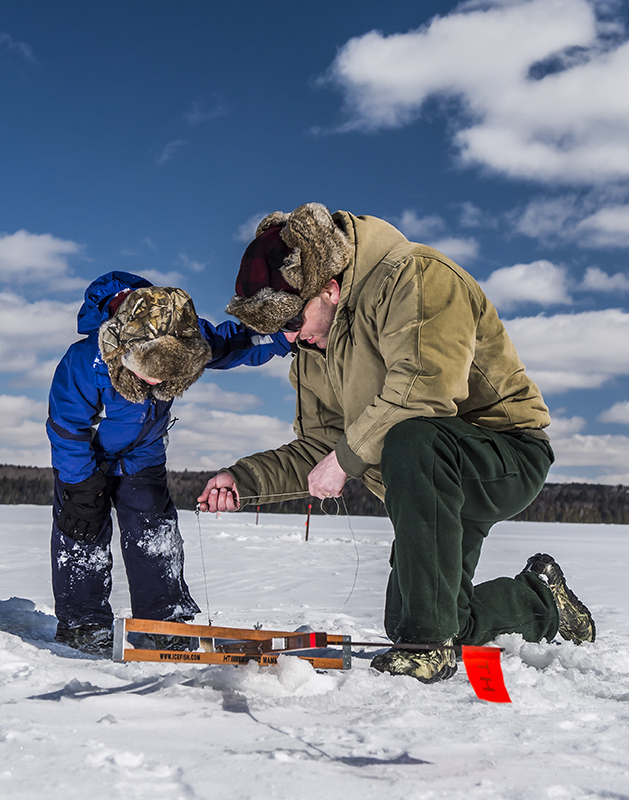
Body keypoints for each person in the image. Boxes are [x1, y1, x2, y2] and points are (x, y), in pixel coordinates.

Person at [197, 202, 596, 684]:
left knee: (413, 440)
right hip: (427, 482)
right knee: (418, 616)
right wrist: (243, 479)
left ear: (329, 289)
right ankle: (542, 602)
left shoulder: (420, 277)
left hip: (502, 453)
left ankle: (429, 649)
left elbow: (424, 390)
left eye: (292, 321)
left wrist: (345, 460)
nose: (290, 338)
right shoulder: (313, 349)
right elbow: (320, 447)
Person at [48, 270, 290, 655]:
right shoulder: (84, 360)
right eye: (151, 374)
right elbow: (66, 427)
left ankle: (163, 620)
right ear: (121, 349)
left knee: (154, 534)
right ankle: (82, 623)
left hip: (143, 458)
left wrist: (280, 336)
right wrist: (79, 485)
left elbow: (234, 342)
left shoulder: (184, 333)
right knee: (81, 533)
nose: (159, 385)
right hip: (85, 462)